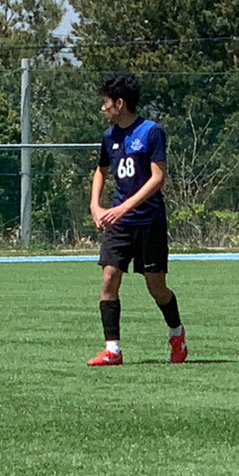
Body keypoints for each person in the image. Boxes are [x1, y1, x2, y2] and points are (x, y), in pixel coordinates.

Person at [87, 73, 187, 366]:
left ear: (120, 103)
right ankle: (113, 350)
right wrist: (96, 206)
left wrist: (123, 208)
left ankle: (177, 333)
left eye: (106, 102)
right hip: (120, 224)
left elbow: (158, 178)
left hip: (149, 222)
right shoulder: (109, 137)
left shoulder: (152, 132)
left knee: (157, 287)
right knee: (109, 277)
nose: (103, 108)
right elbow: (101, 171)